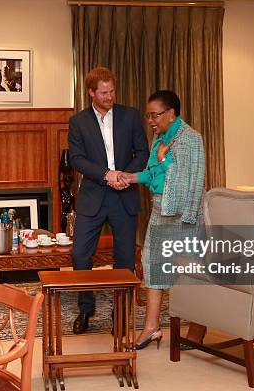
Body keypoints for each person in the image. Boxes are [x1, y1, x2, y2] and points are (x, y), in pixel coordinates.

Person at [118, 90, 206, 349]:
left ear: (171, 113)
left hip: (183, 216)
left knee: (188, 273)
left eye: (155, 115)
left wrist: (164, 159)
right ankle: (152, 327)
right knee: (152, 265)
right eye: (148, 116)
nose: (151, 121)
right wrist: (130, 177)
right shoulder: (159, 137)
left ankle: (198, 328)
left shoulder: (190, 139)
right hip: (160, 211)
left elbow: (188, 181)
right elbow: (152, 173)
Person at [68, 67, 149, 334]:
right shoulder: (78, 122)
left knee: (124, 258)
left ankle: (120, 311)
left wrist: (125, 175)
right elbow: (77, 159)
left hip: (124, 195)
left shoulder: (130, 116)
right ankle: (86, 308)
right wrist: (106, 174)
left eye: (112, 91)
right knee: (80, 255)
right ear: (91, 92)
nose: (109, 96)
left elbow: (142, 151)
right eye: (103, 92)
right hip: (93, 197)